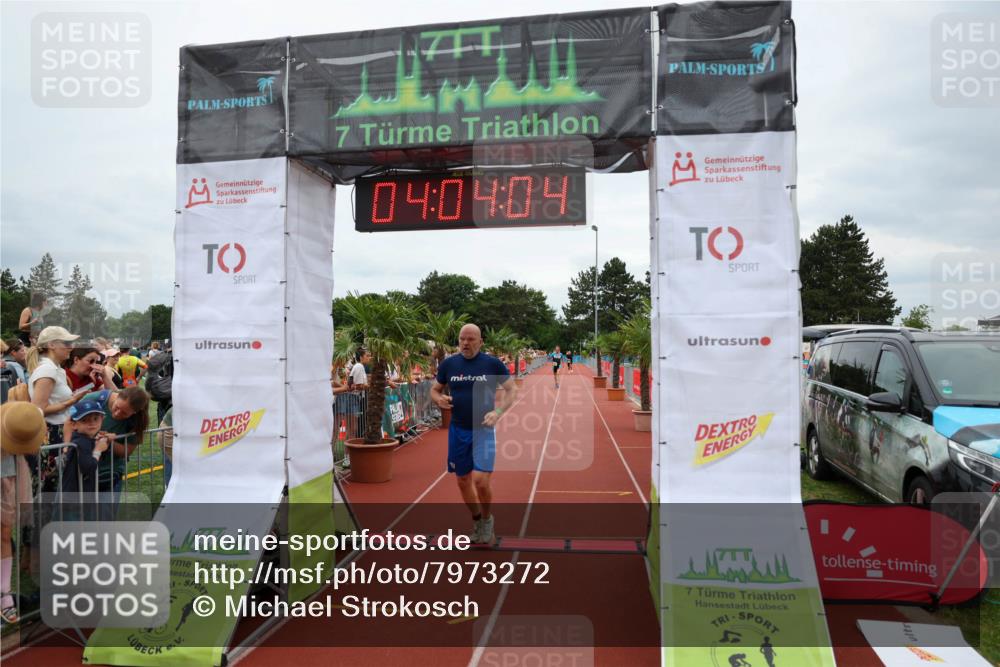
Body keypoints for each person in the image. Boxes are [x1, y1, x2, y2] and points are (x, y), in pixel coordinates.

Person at [431, 324, 516, 545]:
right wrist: (438, 399)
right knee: (462, 480)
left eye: (470, 339)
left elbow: (512, 390)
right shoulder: (449, 364)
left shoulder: (491, 363)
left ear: (480, 341)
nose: (465, 343)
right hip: (458, 430)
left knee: (479, 481)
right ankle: (477, 520)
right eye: (462, 339)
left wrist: (498, 412)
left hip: (483, 430)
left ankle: (487, 520)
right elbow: (435, 389)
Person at [0, 402, 46, 625]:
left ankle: (4, 593)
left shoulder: (23, 416)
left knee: (4, 533)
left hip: (9, 473)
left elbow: (35, 415)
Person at [81, 387, 150, 498]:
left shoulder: (137, 420)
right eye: (117, 407)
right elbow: (69, 423)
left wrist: (109, 442)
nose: (117, 414)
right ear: (117, 395)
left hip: (108, 475)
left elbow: (126, 451)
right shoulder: (95, 399)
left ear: (134, 412)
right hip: (81, 471)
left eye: (124, 413)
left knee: (106, 513)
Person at [26, 326, 89, 448]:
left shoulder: (53, 368)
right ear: (51, 345)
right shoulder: (47, 369)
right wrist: (72, 401)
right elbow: (39, 409)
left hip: (57, 431)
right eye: (66, 343)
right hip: (52, 434)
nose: (71, 347)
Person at [60, 399, 112, 504]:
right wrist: (98, 449)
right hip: (75, 497)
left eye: (96, 418)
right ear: (74, 424)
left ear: (102, 419)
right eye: (84, 420)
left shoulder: (86, 438)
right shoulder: (81, 441)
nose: (92, 423)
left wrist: (104, 445)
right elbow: (88, 467)